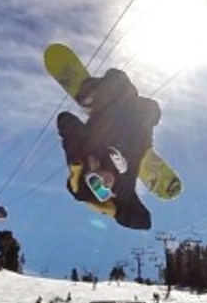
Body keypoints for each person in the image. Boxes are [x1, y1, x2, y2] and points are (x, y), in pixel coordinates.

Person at [57, 68, 161, 231]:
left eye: (96, 183)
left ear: (89, 174)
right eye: (104, 193)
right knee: (152, 108)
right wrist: (114, 211)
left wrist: (77, 163)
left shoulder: (84, 152)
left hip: (109, 112)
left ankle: (92, 94)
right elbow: (144, 222)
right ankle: (95, 92)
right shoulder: (122, 187)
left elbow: (64, 120)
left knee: (116, 78)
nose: (105, 185)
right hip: (138, 125)